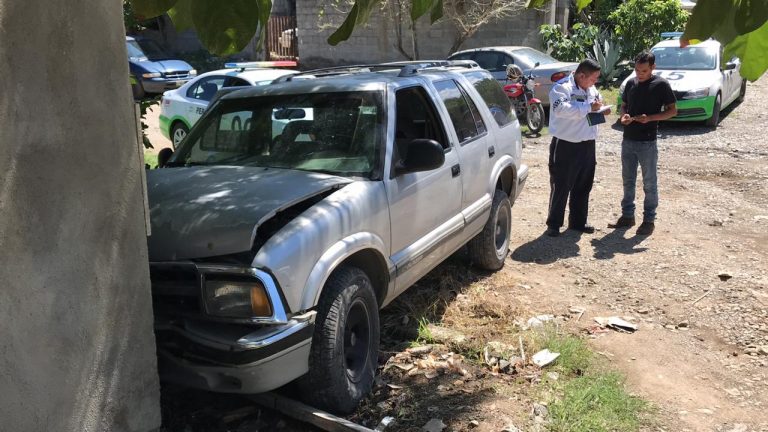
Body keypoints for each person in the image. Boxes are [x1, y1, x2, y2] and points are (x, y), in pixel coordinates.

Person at [611, 51, 677, 236]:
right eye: (637, 70)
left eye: (644, 71)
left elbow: (672, 111)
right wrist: (624, 114)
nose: (640, 74)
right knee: (628, 180)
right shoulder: (631, 83)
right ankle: (627, 216)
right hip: (628, 139)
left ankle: (649, 220)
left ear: (653, 68)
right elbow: (624, 105)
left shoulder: (661, 85)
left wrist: (650, 118)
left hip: (647, 141)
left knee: (649, 183)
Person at [545, 59, 608, 237]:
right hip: (566, 144)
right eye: (593, 79)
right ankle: (554, 224)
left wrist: (601, 109)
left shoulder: (591, 88)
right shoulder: (562, 87)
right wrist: (589, 107)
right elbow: (561, 109)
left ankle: (578, 222)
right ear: (581, 75)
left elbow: (596, 103)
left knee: (583, 184)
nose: (595, 83)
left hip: (588, 143)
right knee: (561, 185)